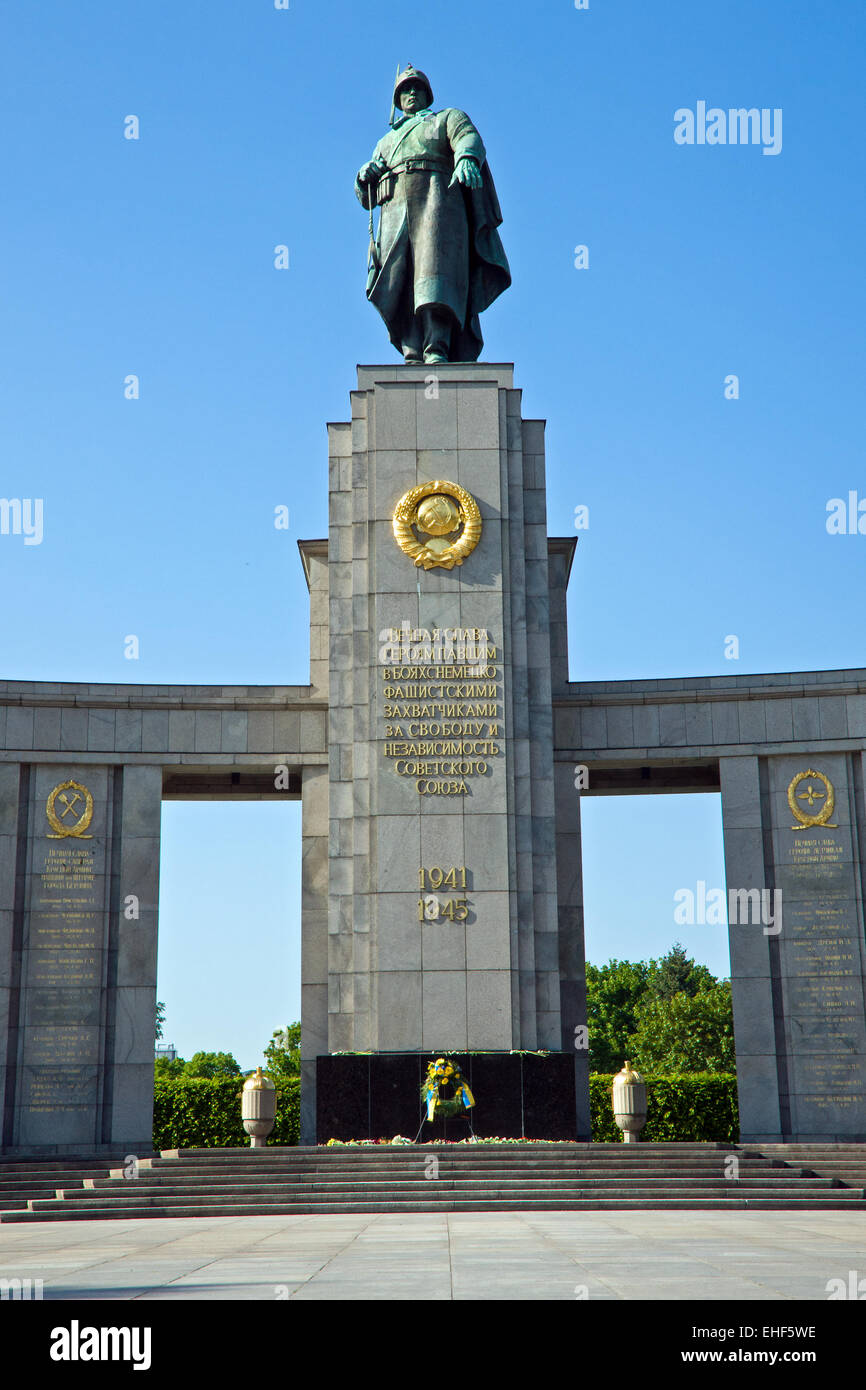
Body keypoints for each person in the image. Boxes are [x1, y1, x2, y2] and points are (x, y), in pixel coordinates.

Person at [355, 65, 511, 364]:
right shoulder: (386, 142)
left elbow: (468, 138)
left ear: (428, 94)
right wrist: (364, 176)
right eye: (404, 90)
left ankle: (436, 346)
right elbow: (366, 197)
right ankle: (411, 349)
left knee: (434, 277)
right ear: (397, 100)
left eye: (416, 88)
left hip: (437, 202)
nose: (411, 92)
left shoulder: (446, 118)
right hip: (395, 210)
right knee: (401, 280)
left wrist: (466, 158)